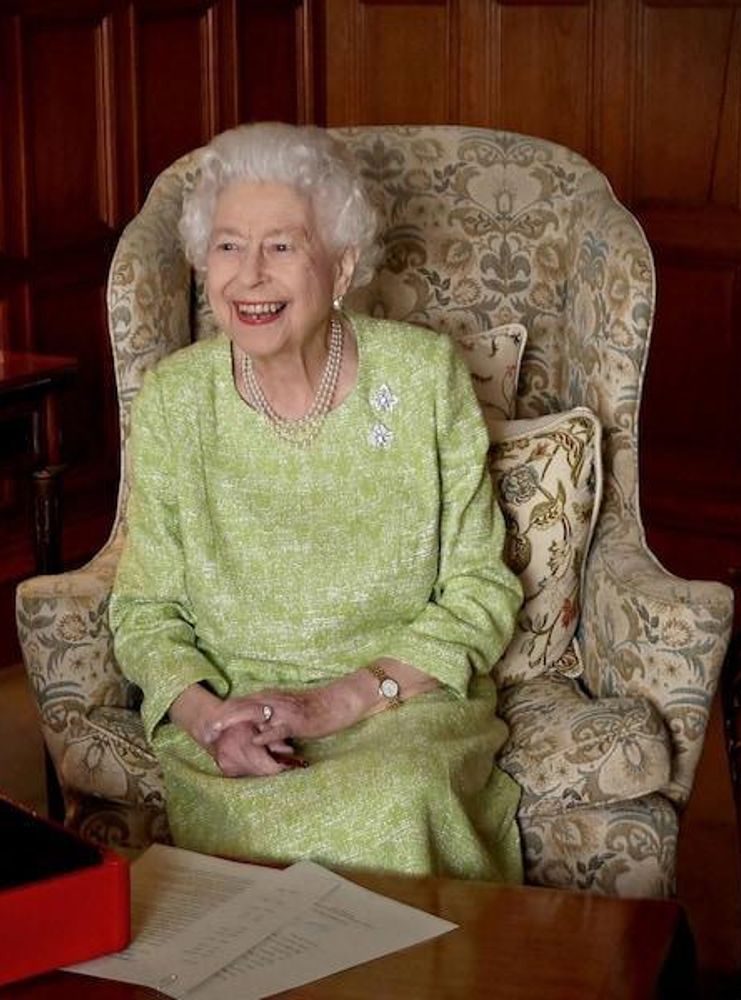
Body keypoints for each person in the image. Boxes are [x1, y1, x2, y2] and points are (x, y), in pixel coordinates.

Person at [108, 122, 524, 882]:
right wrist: (209, 722)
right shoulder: (175, 399)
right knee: (252, 837)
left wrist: (336, 703)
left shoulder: (424, 377)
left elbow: (479, 590)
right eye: (228, 246)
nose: (250, 276)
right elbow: (144, 611)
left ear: (342, 266)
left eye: (282, 245)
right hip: (236, 716)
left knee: (398, 802)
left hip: (400, 704)